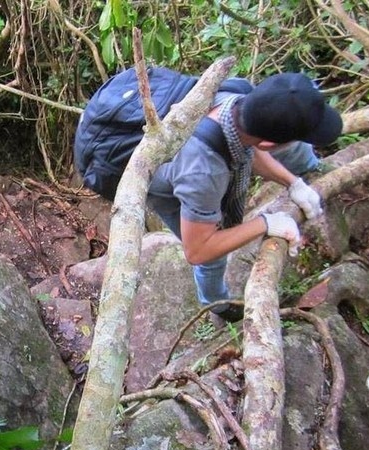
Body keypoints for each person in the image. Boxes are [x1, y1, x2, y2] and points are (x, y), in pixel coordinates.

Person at [145, 72, 343, 323]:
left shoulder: (240, 97)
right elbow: (198, 250)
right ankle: (217, 304)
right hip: (164, 177)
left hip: (192, 159)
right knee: (212, 258)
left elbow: (245, 143)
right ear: (269, 144)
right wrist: (266, 223)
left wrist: (294, 184)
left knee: (297, 153)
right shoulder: (203, 171)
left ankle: (311, 167)